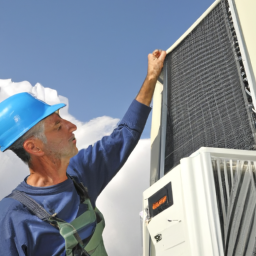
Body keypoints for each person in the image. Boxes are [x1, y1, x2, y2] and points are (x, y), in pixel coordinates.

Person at [0, 49, 166, 256]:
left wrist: (151, 78)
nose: (72, 126)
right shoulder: (10, 217)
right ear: (34, 147)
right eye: (58, 126)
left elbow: (124, 135)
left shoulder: (80, 173)